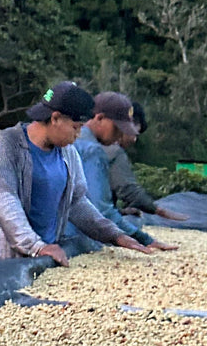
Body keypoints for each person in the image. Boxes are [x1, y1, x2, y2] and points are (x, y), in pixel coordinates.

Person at [0, 82, 155, 267]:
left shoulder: (68, 152)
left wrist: (115, 235)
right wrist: (36, 246)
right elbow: (4, 199)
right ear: (56, 118)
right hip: (3, 263)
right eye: (76, 127)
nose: (78, 134)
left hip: (46, 259)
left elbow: (76, 203)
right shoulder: (6, 144)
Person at [69, 92, 178, 252]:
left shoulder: (73, 141)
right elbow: (101, 210)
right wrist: (142, 239)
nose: (120, 135)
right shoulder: (93, 150)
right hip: (73, 238)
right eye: (117, 128)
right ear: (99, 118)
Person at [99, 96, 188, 224]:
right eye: (134, 133)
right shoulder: (112, 151)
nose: (134, 140)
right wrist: (159, 211)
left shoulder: (84, 142)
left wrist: (118, 211)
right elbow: (128, 189)